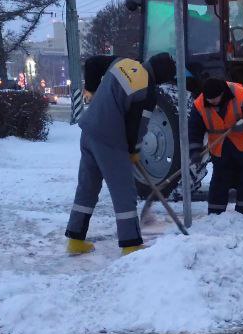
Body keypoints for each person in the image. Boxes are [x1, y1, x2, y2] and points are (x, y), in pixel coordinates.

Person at [65, 51, 176, 256]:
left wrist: (93, 90)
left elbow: (93, 63)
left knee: (87, 187)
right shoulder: (148, 90)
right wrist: (134, 150)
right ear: (161, 78)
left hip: (88, 131)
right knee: (124, 191)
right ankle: (131, 243)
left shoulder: (122, 62)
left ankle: (75, 239)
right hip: (109, 139)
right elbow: (137, 127)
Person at [189, 76, 243, 216]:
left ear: (223, 93)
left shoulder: (241, 94)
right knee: (219, 181)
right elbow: (194, 130)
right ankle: (215, 214)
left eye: (215, 99)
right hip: (220, 148)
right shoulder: (199, 105)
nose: (212, 102)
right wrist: (195, 150)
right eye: (209, 100)